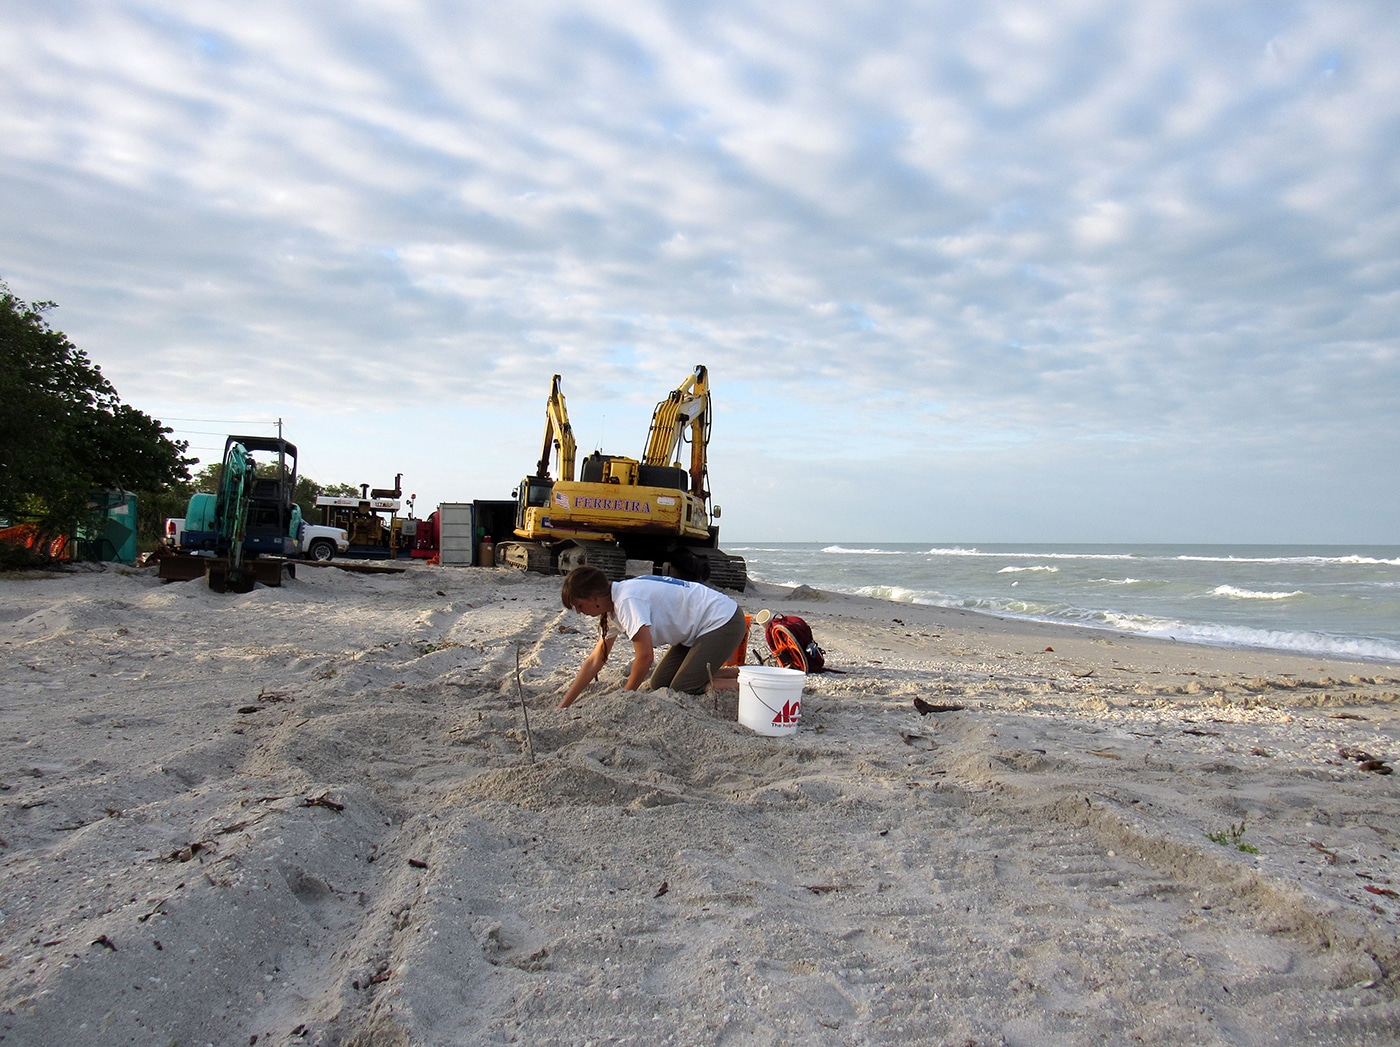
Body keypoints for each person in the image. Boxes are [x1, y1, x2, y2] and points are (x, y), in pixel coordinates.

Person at [558, 566, 746, 708]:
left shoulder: (626, 600)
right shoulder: (611, 607)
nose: (580, 612)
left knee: (684, 687)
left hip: (722, 620)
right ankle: (743, 673)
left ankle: (754, 685)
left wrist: (625, 697)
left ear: (593, 598)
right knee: (659, 683)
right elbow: (596, 660)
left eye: (580, 606)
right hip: (695, 630)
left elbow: (645, 657)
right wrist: (564, 704)